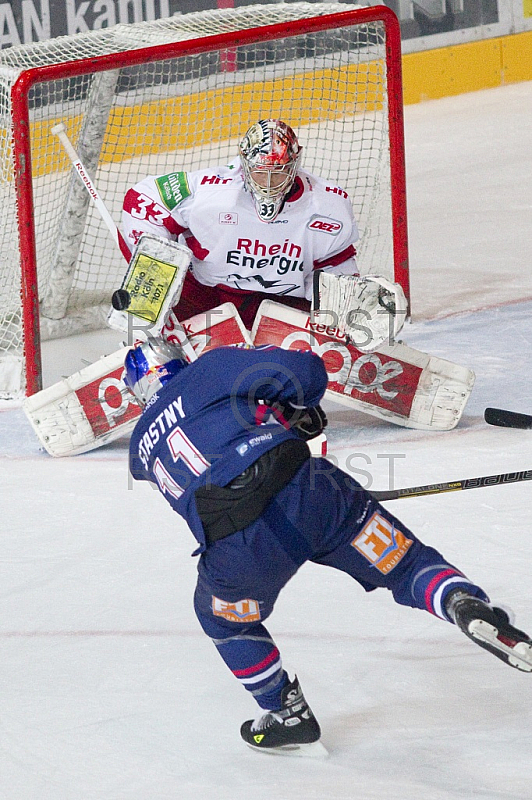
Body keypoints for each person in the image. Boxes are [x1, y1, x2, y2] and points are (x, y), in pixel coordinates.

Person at [124, 338, 532, 756]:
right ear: (178, 363)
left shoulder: (139, 450)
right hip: (317, 496)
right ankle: (462, 602)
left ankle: (287, 714)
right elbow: (307, 372)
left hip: (240, 548)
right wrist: (283, 407)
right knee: (406, 565)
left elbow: (206, 449)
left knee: (227, 622)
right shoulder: (208, 370)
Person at [121, 118, 360, 331]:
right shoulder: (212, 191)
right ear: (244, 163)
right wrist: (156, 275)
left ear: (295, 164)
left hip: (281, 305)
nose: (268, 182)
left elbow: (335, 265)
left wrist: (340, 305)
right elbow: (144, 199)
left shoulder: (327, 206)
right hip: (208, 297)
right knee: (147, 279)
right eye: (260, 172)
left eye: (278, 172)